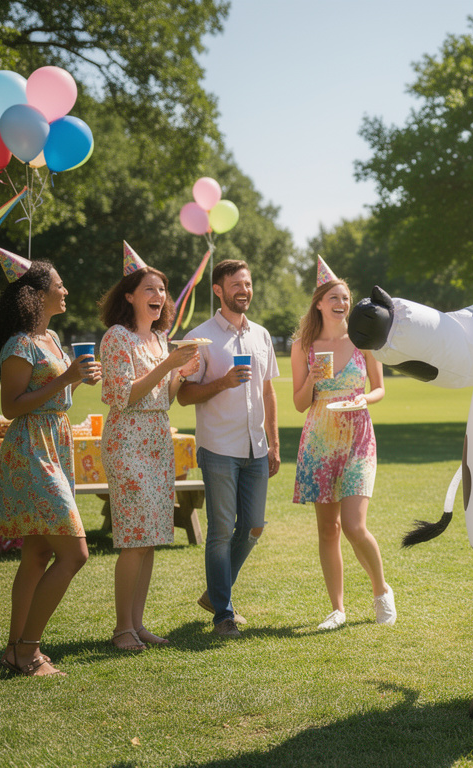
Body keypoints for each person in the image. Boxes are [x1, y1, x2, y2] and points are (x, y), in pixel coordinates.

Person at [0, 248, 101, 677]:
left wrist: (77, 380)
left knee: (36, 555)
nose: (65, 290)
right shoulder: (18, 344)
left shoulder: (50, 340)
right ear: (36, 295)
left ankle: (13, 650)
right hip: (31, 449)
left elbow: (56, 393)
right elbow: (11, 407)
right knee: (75, 554)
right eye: (58, 285)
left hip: (55, 443)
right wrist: (67, 377)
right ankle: (28, 651)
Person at [99, 243, 200, 651]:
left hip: (158, 439)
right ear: (129, 295)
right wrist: (168, 365)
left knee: (152, 535)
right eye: (149, 289)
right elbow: (122, 395)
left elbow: (163, 397)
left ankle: (137, 624)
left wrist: (181, 373)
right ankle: (122, 628)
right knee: (133, 536)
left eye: (162, 290)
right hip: (127, 440)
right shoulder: (117, 337)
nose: (158, 296)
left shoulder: (161, 340)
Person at [177, 259, 280, 638]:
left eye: (248, 283)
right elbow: (185, 396)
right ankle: (224, 614)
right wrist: (221, 383)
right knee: (221, 529)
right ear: (218, 290)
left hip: (256, 448)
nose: (244, 290)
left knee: (252, 526)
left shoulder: (262, 335)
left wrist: (274, 443)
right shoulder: (199, 338)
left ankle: (215, 593)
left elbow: (269, 391)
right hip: (219, 446)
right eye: (236, 284)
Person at [291, 256, 395, 630]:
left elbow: (380, 387)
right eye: (334, 297)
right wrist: (312, 380)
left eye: (345, 298)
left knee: (353, 525)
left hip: (357, 435)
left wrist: (364, 399)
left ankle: (381, 590)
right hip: (319, 438)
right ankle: (337, 609)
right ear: (319, 302)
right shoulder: (304, 346)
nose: (341, 303)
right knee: (328, 529)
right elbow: (300, 403)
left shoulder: (363, 341)